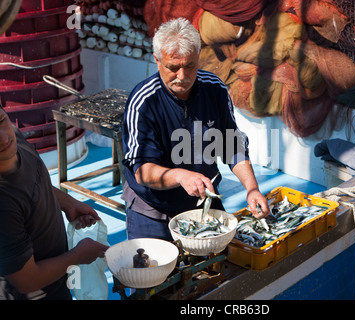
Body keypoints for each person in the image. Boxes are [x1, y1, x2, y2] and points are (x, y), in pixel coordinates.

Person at [122, 18, 270, 241]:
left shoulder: (215, 89)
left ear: (198, 58)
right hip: (154, 211)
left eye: (190, 65)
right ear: (157, 61)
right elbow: (142, 171)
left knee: (216, 271)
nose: (182, 76)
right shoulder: (143, 102)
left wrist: (252, 188)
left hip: (205, 201)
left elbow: (232, 146)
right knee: (152, 273)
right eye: (173, 67)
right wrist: (181, 176)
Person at [0, 105, 109, 300]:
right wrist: (78, 256)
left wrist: (68, 203)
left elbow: (35, 181)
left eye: (1, 121)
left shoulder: (14, 138)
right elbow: (26, 280)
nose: (3, 138)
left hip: (58, 281)